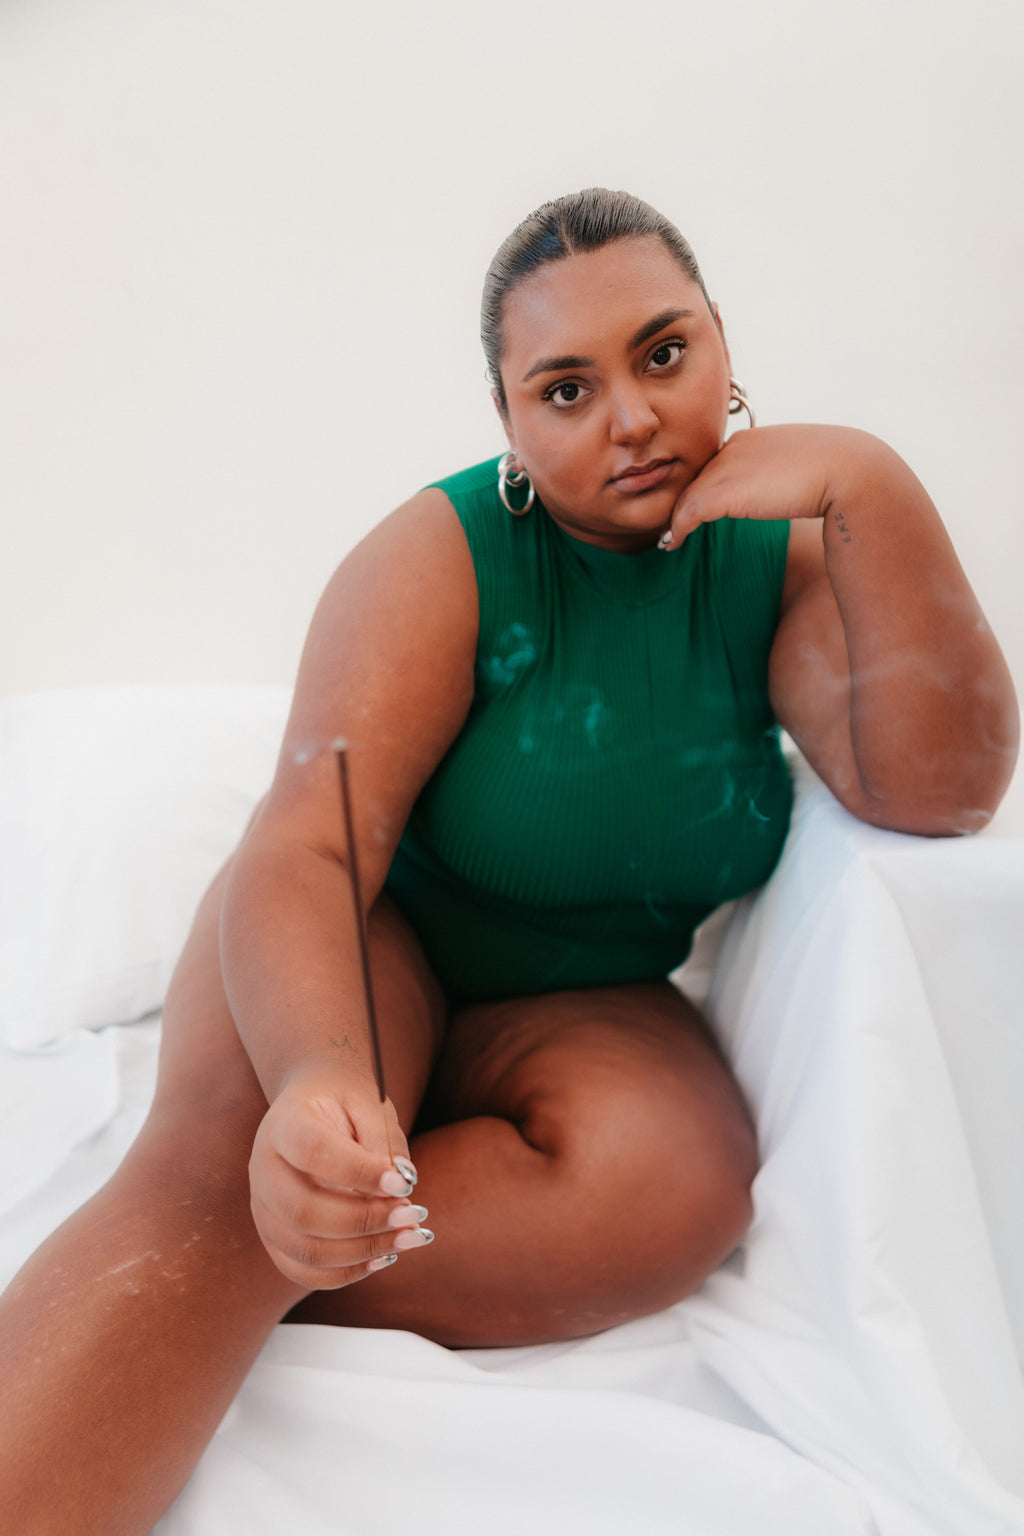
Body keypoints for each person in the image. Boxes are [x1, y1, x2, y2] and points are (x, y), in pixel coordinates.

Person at [1, 188, 1018, 1536]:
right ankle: (237, 1219)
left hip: (586, 990)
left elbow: (940, 795)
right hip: (376, 934)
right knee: (239, 1158)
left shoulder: (783, 556)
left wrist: (877, 485)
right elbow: (305, 849)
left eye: (664, 354)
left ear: (724, 344)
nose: (633, 414)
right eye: (565, 387)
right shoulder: (442, 555)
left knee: (674, 1192)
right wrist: (317, 1080)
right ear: (513, 431)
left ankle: (280, 1248)